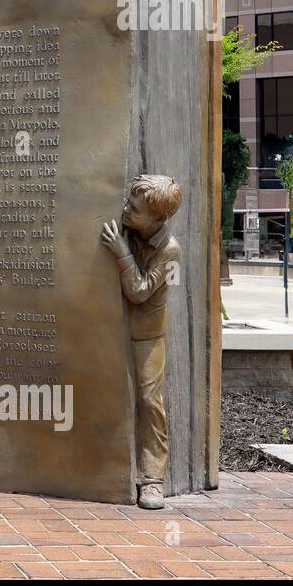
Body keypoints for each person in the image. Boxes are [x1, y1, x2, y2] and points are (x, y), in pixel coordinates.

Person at [100, 174, 183, 510]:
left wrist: (121, 253)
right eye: (127, 204)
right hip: (111, 327)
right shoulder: (128, 229)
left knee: (149, 401)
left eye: (133, 209)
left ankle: (151, 480)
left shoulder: (170, 250)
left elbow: (138, 291)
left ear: (157, 217)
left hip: (147, 335)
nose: (125, 211)